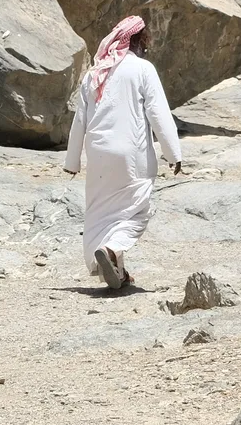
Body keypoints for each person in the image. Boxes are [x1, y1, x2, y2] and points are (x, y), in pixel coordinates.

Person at [64, 15, 182, 291]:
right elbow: (158, 114)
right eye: (145, 44)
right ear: (138, 42)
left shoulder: (94, 73)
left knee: (101, 211)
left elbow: (80, 119)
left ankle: (115, 266)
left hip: (98, 154)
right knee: (137, 211)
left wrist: (72, 161)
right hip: (131, 155)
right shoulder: (142, 69)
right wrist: (173, 153)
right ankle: (114, 248)